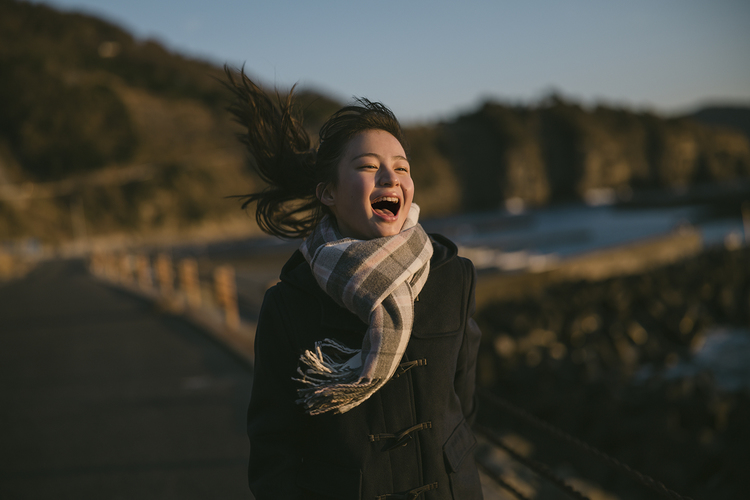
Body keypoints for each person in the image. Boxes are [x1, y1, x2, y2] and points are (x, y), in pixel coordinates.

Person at [225, 67, 483, 500]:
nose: (391, 178)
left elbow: (464, 403)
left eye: (401, 167)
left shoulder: (451, 278)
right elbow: (274, 445)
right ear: (328, 192)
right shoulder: (290, 304)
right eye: (368, 166)